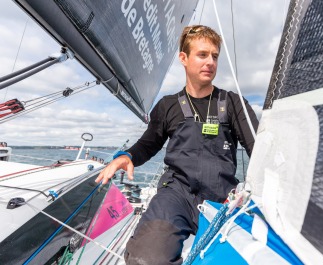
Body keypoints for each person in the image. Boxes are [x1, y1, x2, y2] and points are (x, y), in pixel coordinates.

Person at [95, 25, 259, 265]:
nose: (210, 62)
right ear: (184, 58)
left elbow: (259, 148)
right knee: (146, 258)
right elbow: (147, 145)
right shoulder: (168, 106)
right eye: (202, 54)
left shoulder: (232, 103)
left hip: (221, 199)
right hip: (176, 194)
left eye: (214, 56)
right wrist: (126, 156)